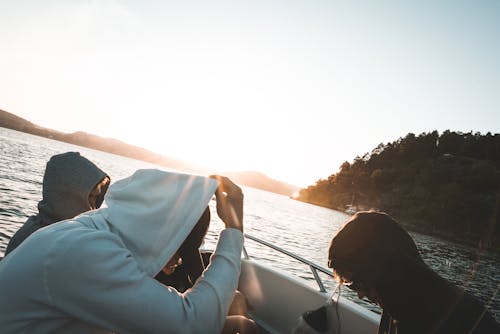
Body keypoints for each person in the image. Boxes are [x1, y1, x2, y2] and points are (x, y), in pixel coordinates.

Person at [0, 169, 246, 334]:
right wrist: (234, 228)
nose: (172, 266)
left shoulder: (93, 228)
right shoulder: (86, 253)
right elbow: (193, 325)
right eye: (177, 254)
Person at [327, 211, 500, 334]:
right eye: (350, 285)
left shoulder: (466, 320)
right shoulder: (396, 305)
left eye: (358, 283)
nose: (360, 295)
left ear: (383, 270)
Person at [155, 206, 258, 334]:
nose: (179, 260)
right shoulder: (144, 269)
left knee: (236, 298)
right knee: (247, 326)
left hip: (177, 309)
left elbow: (200, 277)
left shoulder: (187, 249)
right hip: (165, 319)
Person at [5, 151, 110, 256]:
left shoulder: (52, 227)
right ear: (69, 194)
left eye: (96, 198)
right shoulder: (45, 240)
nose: (94, 207)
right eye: (90, 196)